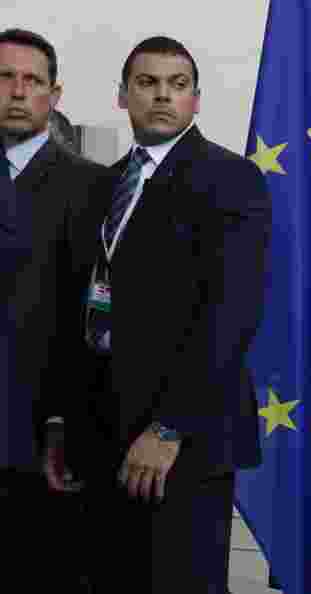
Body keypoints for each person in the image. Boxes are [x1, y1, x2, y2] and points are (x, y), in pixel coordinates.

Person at [45, 36, 271, 593]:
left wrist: (170, 428)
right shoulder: (102, 184)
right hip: (101, 437)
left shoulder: (232, 180)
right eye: (147, 83)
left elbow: (230, 314)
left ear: (196, 99)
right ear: (123, 96)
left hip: (182, 443)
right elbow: (75, 313)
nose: (163, 96)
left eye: (178, 85)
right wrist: (62, 424)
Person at [1, 28, 110, 591]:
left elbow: (96, 324)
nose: (17, 91)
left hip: (46, 443)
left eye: (31, 80)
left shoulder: (93, 188)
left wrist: (66, 421)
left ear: (54, 93)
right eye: (4, 78)